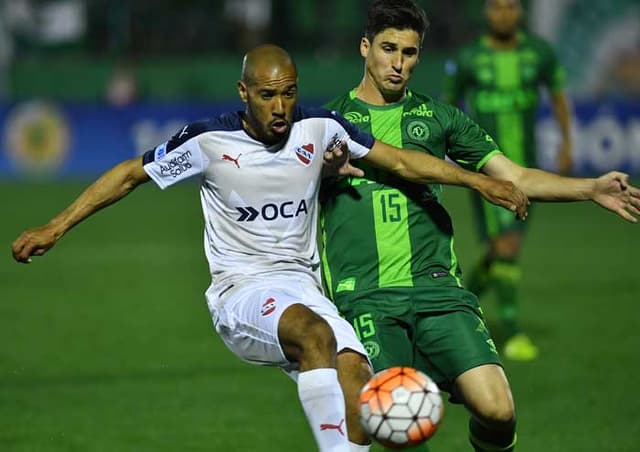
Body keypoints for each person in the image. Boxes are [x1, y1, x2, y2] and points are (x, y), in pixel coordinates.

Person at [11, 44, 529, 452]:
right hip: (242, 292)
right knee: (315, 335)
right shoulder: (208, 143)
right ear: (243, 91)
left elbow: (401, 162)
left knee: (361, 397)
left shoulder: (320, 128)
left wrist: (478, 182)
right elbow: (129, 175)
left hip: (304, 288)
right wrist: (55, 227)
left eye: (288, 93)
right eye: (266, 95)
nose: (280, 107)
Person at [319, 1, 640, 451]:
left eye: (409, 53)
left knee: (498, 410)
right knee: (396, 423)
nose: (398, 63)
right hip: (368, 297)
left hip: (439, 293)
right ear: (365, 47)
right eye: (388, 49)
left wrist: (590, 188)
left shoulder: (439, 119)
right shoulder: (325, 126)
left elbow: (517, 176)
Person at [443, 0, 574, 360]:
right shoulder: (469, 58)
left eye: (511, 6)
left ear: (520, 12)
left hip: (528, 168)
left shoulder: (539, 53)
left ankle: (459, 305)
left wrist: (566, 140)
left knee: (500, 250)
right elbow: (449, 106)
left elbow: (559, 96)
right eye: (497, 7)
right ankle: (513, 333)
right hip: (486, 168)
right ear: (486, 11)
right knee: (506, 248)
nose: (504, 14)